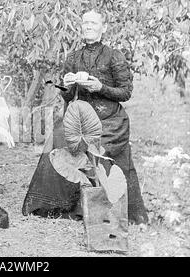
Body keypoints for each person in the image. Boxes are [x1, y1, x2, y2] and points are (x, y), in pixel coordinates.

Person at [22, 9, 148, 225]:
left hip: (109, 119)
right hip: (80, 115)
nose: (88, 27)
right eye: (85, 23)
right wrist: (67, 85)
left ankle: (106, 206)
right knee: (58, 137)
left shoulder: (113, 56)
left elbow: (125, 92)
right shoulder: (73, 57)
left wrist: (100, 86)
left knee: (98, 144)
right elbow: (68, 96)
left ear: (103, 28)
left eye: (93, 23)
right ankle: (56, 205)